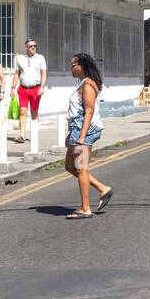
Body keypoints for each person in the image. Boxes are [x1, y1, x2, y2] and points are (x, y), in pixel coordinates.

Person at [63, 52, 113, 220]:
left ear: (81, 66)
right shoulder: (83, 83)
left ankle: (86, 208)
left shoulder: (88, 85)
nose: (71, 68)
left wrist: (82, 137)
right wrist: (71, 134)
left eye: (73, 65)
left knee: (81, 168)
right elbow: (77, 112)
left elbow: (89, 111)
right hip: (77, 130)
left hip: (86, 132)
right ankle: (102, 189)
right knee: (70, 166)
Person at [10, 38, 47, 144]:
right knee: (22, 111)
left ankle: (34, 134)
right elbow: (17, 73)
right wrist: (13, 87)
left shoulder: (40, 58)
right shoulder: (20, 58)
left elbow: (43, 73)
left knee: (34, 112)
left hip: (36, 88)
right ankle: (21, 135)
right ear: (26, 47)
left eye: (35, 46)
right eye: (31, 46)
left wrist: (42, 87)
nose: (33, 48)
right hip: (23, 89)